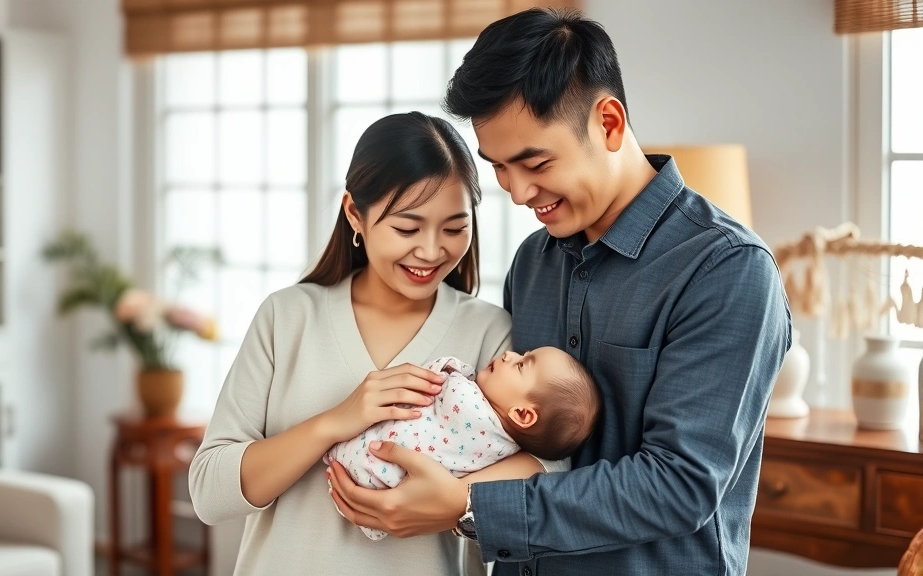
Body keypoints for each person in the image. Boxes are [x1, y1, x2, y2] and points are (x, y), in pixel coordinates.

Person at [327, 8, 791, 576]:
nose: (518, 193)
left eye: (535, 162)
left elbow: (680, 486)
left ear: (609, 124)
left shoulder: (726, 270)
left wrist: (469, 506)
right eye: (499, 167)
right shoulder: (533, 262)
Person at [188, 111, 564, 576]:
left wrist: (456, 501)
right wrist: (334, 423)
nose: (431, 251)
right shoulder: (287, 317)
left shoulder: (490, 335)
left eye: (454, 228)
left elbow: (550, 468)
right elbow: (209, 493)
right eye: (407, 228)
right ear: (354, 214)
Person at [326, 347, 600, 540]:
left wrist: (452, 368)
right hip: (382, 495)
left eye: (521, 365)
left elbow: (445, 381)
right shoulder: (507, 454)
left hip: (371, 458)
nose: (509, 354)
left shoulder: (468, 403)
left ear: (522, 414)